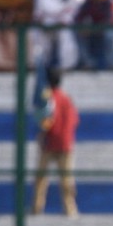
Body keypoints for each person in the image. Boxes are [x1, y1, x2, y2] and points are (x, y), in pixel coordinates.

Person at [32, 68, 80, 217]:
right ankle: (70, 209)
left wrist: (42, 134)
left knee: (41, 178)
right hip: (66, 143)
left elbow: (47, 120)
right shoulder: (67, 99)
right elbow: (75, 120)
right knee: (67, 178)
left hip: (49, 143)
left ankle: (37, 207)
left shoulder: (48, 98)